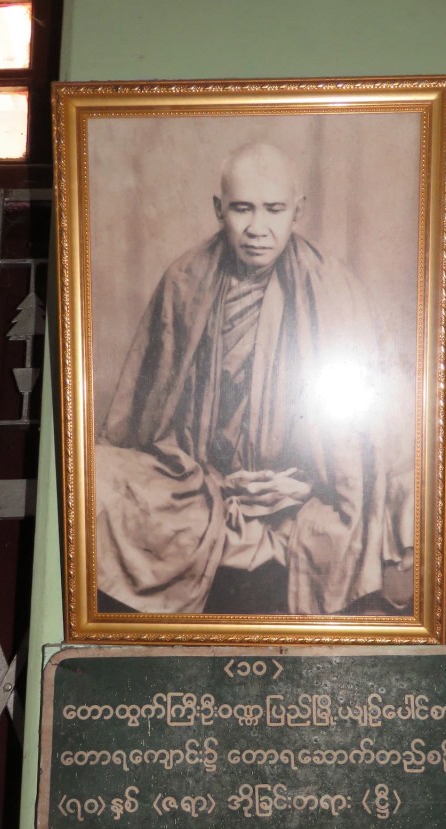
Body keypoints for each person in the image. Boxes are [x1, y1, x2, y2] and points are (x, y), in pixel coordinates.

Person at [95, 142, 414, 615]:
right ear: (218, 209)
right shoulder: (185, 280)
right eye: (242, 209)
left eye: (274, 209)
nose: (257, 228)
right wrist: (201, 473)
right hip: (198, 480)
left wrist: (304, 484)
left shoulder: (337, 289)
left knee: (369, 511)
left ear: (297, 211)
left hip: (302, 486)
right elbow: (145, 411)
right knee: (95, 472)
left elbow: (367, 433)